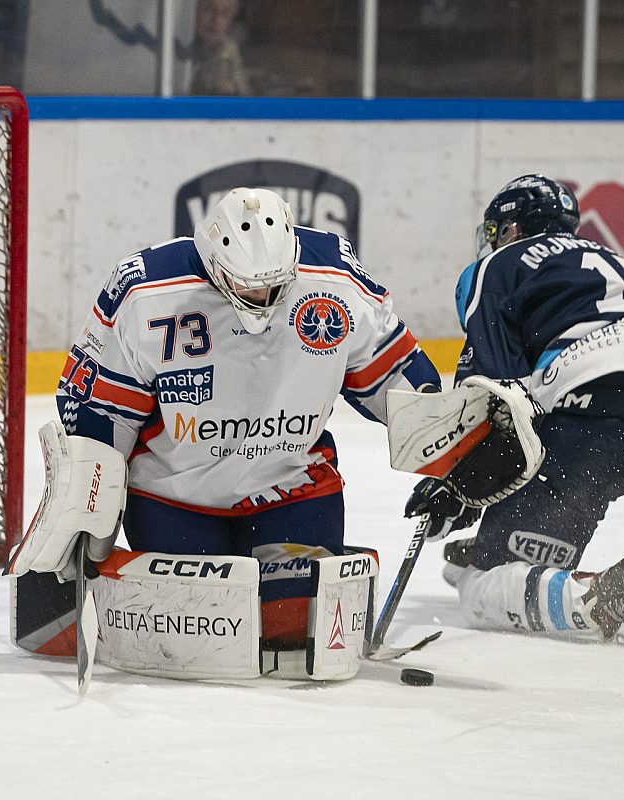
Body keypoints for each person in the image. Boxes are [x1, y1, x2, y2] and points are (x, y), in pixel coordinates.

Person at [31, 187, 440, 659]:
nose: (262, 299)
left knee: (289, 639)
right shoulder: (147, 290)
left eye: (275, 285)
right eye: (248, 286)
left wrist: (446, 443)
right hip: (175, 495)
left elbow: (395, 376)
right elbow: (101, 406)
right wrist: (85, 505)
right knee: (193, 644)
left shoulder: (334, 277)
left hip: (290, 486)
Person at [407, 174, 624, 648]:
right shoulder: (619, 262)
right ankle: (522, 543)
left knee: (479, 593)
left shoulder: (499, 265)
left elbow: (490, 394)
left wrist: (458, 486)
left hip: (593, 420)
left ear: (511, 229)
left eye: (496, 231)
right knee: (541, 520)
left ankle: (609, 594)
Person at [190, 0, 249, 95]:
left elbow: (244, 98)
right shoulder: (177, 45)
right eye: (208, 9)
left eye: (225, 13)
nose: (216, 20)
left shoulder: (229, 50)